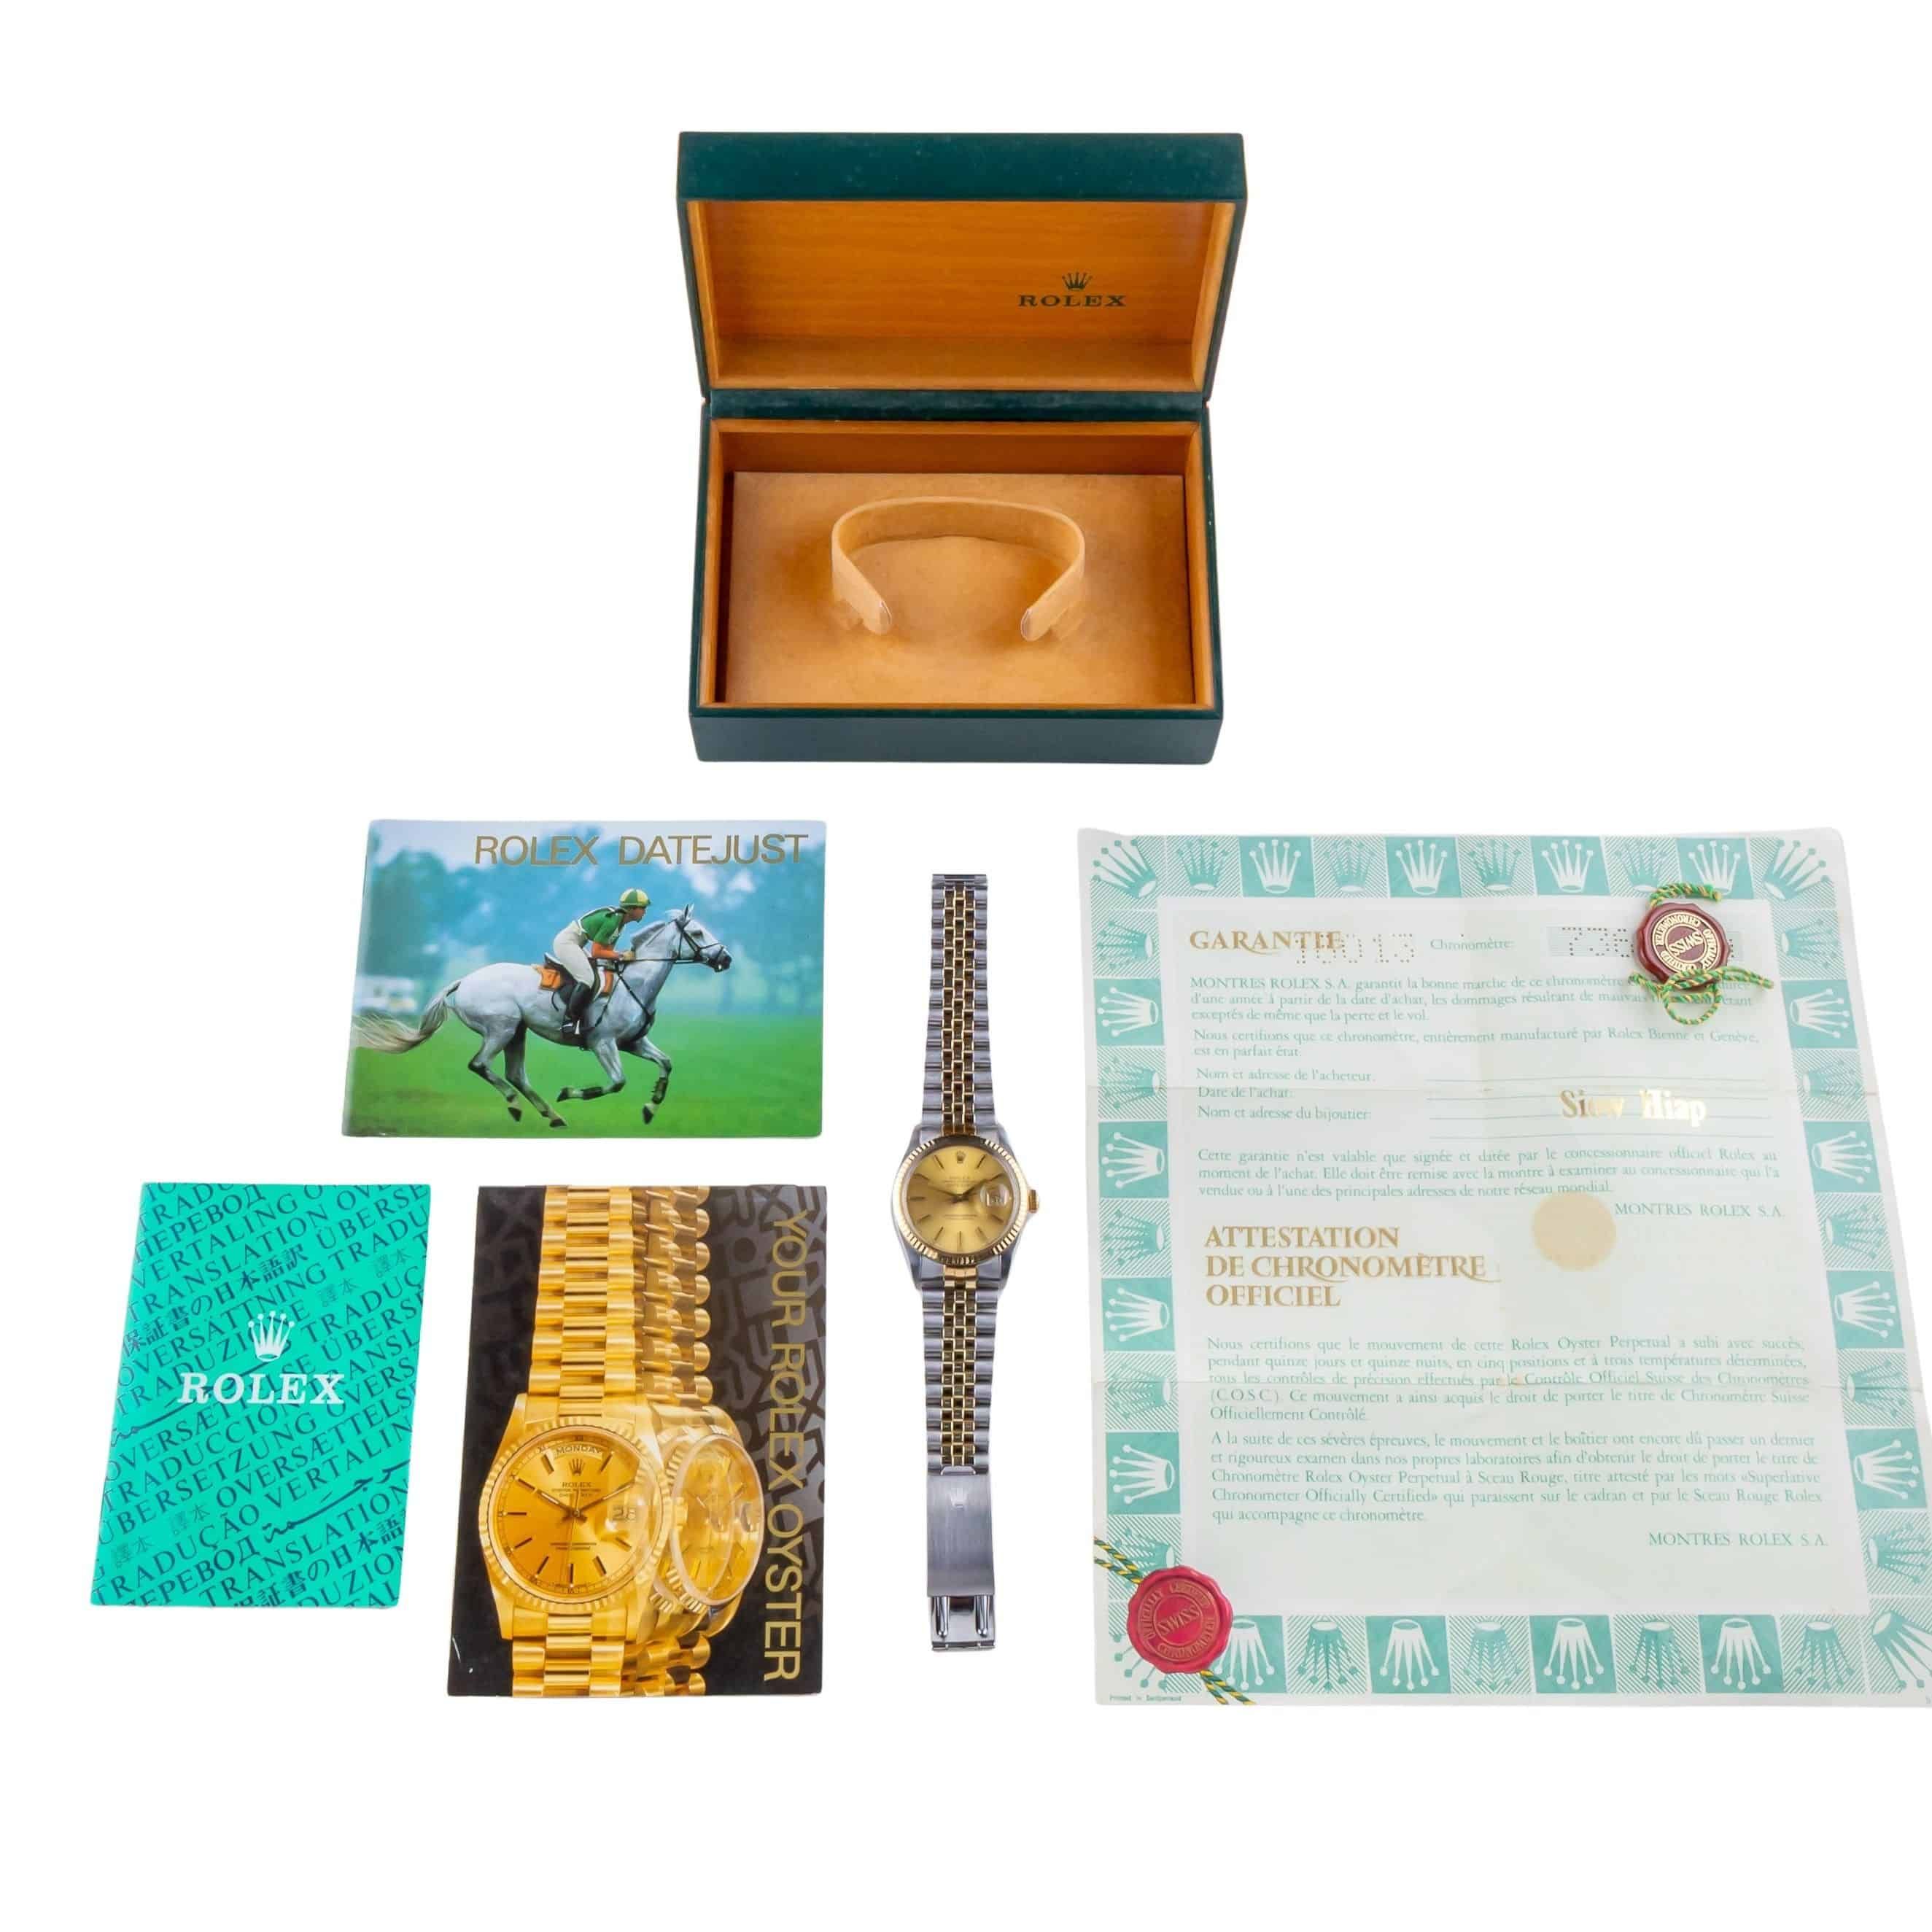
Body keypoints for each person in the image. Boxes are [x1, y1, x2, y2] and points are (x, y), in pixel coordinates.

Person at [553, 888, 651, 1044]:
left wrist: (621, 956)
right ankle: (569, 1022)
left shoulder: (621, 924)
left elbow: (608, 952)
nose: (645, 912)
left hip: (578, 943)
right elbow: (597, 952)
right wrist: (622, 955)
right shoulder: (613, 921)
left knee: (599, 974)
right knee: (587, 979)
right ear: (632, 909)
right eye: (643, 908)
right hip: (567, 943)